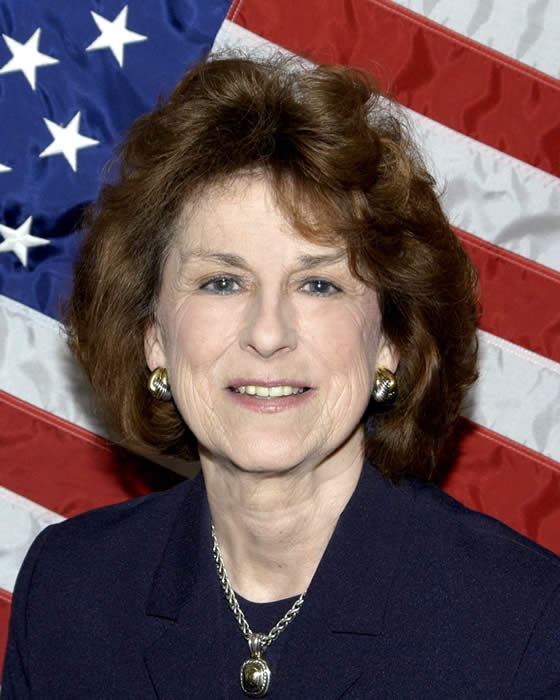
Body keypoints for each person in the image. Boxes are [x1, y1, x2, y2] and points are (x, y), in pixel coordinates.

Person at [2, 55, 560, 699]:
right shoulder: (68, 593)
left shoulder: (525, 628)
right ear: (153, 338)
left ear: (390, 341)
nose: (268, 334)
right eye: (222, 282)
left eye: (318, 284)